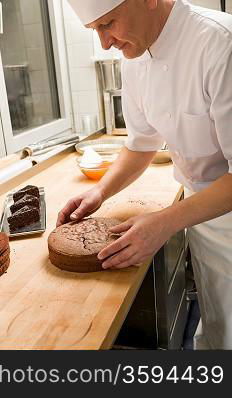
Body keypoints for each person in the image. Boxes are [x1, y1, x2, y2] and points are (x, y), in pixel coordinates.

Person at [58, 0, 232, 349]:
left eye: (108, 23)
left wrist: (164, 222)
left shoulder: (220, 44)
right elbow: (141, 145)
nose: (105, 43)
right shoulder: (135, 56)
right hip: (202, 211)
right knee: (218, 316)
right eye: (95, 31)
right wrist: (101, 192)